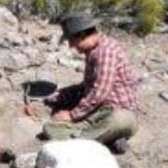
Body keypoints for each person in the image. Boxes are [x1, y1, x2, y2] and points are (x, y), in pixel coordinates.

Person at [41, 14, 138, 153]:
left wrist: (71, 115)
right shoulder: (93, 51)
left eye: (72, 41)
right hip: (100, 112)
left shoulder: (105, 51)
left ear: (82, 35)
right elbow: (89, 86)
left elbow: (99, 93)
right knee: (51, 127)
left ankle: (91, 137)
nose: (71, 46)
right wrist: (61, 95)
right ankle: (108, 138)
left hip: (118, 114)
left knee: (53, 129)